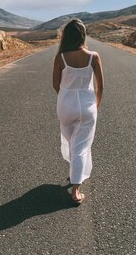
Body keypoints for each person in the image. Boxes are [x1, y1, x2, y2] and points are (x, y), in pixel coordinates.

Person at [52, 19, 104, 204]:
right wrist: (94, 106)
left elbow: (55, 84)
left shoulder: (61, 57)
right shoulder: (94, 56)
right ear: (83, 35)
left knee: (71, 141)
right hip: (87, 106)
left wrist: (66, 98)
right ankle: (76, 190)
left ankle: (75, 178)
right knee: (81, 146)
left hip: (66, 106)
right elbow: (100, 87)